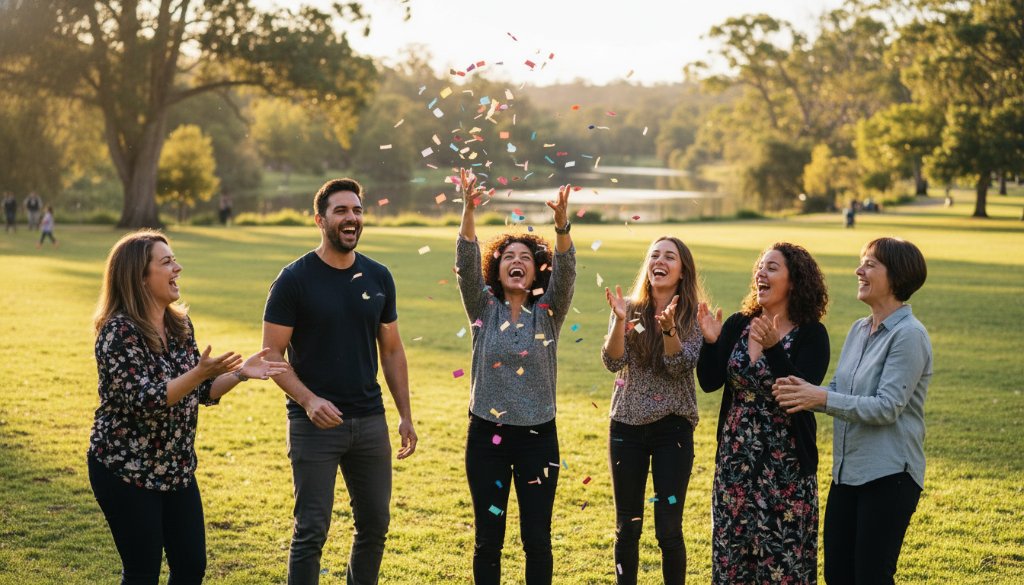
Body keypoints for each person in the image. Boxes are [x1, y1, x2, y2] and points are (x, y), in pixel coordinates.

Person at [88, 229, 289, 585]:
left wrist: (241, 374)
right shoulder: (118, 332)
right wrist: (198, 373)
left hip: (176, 466)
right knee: (142, 571)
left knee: (191, 566)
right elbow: (147, 399)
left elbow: (202, 391)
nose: (177, 268)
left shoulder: (178, 323)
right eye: (166, 262)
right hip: (124, 469)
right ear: (140, 277)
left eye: (174, 259)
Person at [262, 177, 418, 585]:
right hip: (313, 426)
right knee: (311, 531)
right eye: (341, 211)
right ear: (320, 219)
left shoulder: (379, 276)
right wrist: (309, 401)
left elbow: (393, 350)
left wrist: (405, 415)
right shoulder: (293, 280)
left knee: (374, 526)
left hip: (369, 421)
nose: (351, 219)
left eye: (357, 211)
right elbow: (271, 356)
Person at [773, 237, 932, 585]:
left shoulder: (909, 336)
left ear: (897, 276)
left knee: (871, 577)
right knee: (839, 576)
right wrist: (806, 393)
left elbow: (887, 407)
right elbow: (842, 391)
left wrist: (821, 399)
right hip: (847, 475)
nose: (859, 271)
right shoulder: (859, 329)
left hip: (890, 476)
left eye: (870, 264)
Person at [455, 167, 575, 585]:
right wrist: (468, 210)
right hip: (486, 437)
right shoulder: (482, 308)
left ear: (537, 269)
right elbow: (466, 262)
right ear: (498, 268)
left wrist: (561, 225)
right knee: (488, 539)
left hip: (538, 439)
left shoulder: (548, 314)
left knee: (537, 539)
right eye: (509, 257)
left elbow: (568, 270)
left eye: (525, 257)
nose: (517, 262)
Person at [696, 242, 831, 584]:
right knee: (732, 559)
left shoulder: (812, 334)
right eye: (760, 267)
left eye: (772, 268)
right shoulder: (740, 323)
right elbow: (710, 382)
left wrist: (772, 349)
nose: (761, 273)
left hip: (785, 469)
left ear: (794, 281)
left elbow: (796, 393)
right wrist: (710, 343)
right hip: (735, 462)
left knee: (782, 562)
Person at [601, 237, 703, 585]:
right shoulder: (630, 309)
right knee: (626, 527)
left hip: (672, 432)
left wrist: (670, 328)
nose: (660, 261)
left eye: (669, 256)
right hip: (626, 429)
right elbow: (613, 361)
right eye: (654, 255)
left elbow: (680, 365)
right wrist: (618, 320)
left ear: (682, 270)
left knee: (668, 530)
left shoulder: (693, 315)